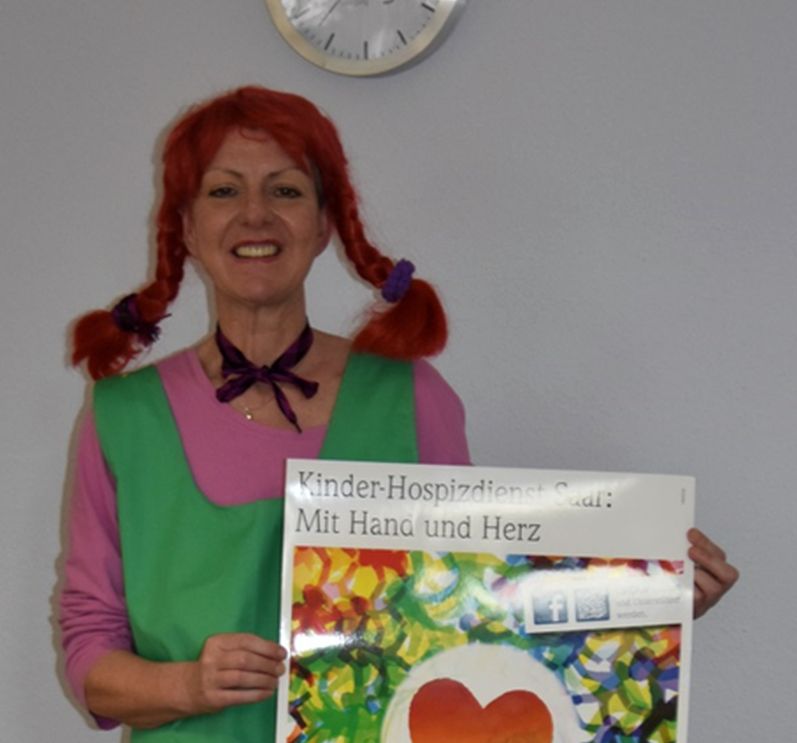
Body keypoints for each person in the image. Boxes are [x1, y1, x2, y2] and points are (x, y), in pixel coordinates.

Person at [59, 86, 737, 741]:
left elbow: (477, 610)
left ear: (324, 225)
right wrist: (188, 685)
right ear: (186, 226)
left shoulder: (412, 399)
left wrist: (651, 597)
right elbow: (89, 651)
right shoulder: (123, 416)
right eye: (223, 191)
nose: (255, 215)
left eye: (286, 190)